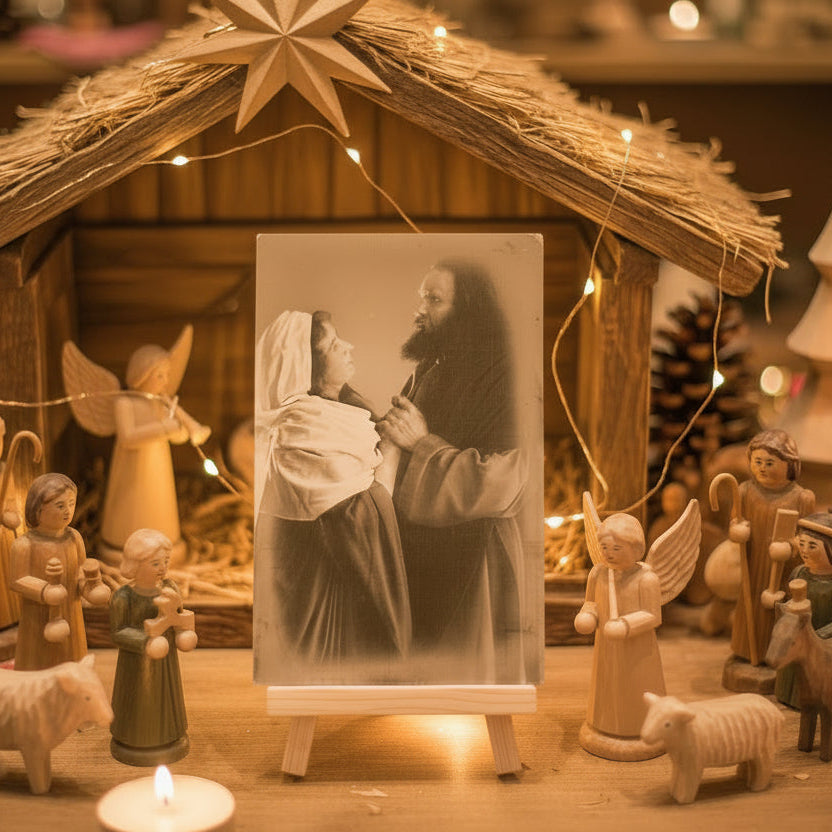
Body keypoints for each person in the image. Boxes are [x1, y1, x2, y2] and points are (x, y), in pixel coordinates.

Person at [380, 260, 527, 684]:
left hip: (476, 557)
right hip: (421, 548)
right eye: (421, 297)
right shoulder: (432, 367)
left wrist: (420, 444)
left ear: (470, 309)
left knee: (467, 673)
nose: (419, 310)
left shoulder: (505, 377)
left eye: (434, 299)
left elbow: (505, 481)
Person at [254, 310, 411, 683]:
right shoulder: (302, 434)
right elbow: (368, 513)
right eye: (333, 344)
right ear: (306, 366)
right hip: (321, 619)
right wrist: (394, 446)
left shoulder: (333, 414)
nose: (347, 347)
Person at [574, 513, 665, 759]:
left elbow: (652, 615)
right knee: (606, 685)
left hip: (638, 652)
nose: (608, 553)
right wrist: (588, 615)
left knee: (636, 688)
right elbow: (590, 603)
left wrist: (625, 625)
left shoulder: (646, 579)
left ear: (636, 548)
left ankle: (640, 726)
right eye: (604, 547)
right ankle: (603, 725)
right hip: (607, 648)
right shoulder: (598, 574)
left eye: (616, 548)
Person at [726, 430, 814, 678]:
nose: (762, 468)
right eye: (758, 462)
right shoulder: (744, 491)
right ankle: (746, 651)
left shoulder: (801, 498)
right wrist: (737, 531)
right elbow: (735, 522)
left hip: (782, 570)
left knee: (777, 610)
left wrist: (791, 547)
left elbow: (808, 537)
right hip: (753, 566)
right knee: (749, 605)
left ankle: (776, 658)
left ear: (790, 465)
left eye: (770, 463)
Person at [110, 528, 194, 766]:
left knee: (166, 698)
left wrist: (184, 631)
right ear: (135, 564)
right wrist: (145, 642)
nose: (162, 568)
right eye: (155, 563)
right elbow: (117, 633)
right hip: (135, 666)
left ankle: (170, 734)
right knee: (138, 699)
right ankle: (131, 736)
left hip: (165, 662)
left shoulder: (171, 589)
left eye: (165, 562)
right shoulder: (123, 598)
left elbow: (178, 616)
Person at [10, 473, 110, 670]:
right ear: (38, 509)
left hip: (70, 613)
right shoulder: (24, 545)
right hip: (38, 616)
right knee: (38, 660)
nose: (68, 511)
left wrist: (90, 585)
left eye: (71, 504)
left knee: (72, 659)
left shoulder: (74, 538)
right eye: (60, 505)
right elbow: (17, 579)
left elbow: (80, 572)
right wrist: (44, 590)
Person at [766, 513, 832, 708]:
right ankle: (787, 693)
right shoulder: (798, 573)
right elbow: (789, 608)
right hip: (795, 643)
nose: (804, 550)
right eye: (801, 544)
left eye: (812, 546)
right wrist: (777, 604)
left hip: (822, 648)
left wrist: (819, 636)